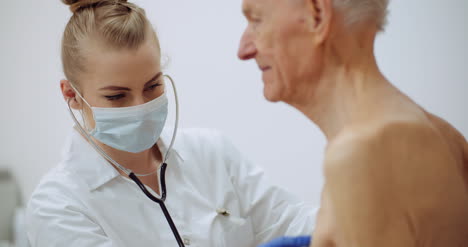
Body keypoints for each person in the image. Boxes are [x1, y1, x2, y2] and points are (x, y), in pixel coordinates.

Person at [25, 1, 318, 246]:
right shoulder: (58, 206)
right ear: (71, 95)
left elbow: (291, 220)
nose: (140, 107)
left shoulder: (211, 153)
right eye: (117, 96)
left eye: (153, 86)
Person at [238, 0, 468, 246]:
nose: (244, 49)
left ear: (317, 15)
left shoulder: (363, 155)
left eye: (256, 21)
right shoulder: (445, 135)